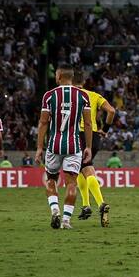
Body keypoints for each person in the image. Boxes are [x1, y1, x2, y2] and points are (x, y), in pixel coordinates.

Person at [35, 66, 93, 229]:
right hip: (74, 146)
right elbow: (88, 123)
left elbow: (43, 122)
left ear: (59, 76)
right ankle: (66, 221)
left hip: (54, 145)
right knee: (71, 184)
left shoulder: (49, 95)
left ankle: (55, 211)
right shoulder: (83, 96)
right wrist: (88, 146)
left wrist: (39, 147)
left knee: (51, 180)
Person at [72, 70, 115, 227]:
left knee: (85, 169)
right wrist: (106, 129)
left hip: (77, 135)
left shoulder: (69, 95)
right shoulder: (95, 95)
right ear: (83, 82)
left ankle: (100, 203)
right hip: (94, 136)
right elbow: (111, 111)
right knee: (81, 169)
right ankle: (86, 205)